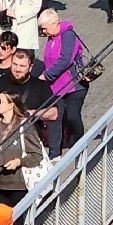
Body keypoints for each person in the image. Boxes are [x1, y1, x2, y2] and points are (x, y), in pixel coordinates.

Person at [37, 9, 89, 156]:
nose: (43, 31)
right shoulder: (52, 37)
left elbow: (65, 60)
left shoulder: (68, 35)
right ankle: (55, 153)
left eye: (45, 28)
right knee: (56, 118)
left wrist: (47, 75)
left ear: (54, 24)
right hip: (57, 86)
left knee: (72, 115)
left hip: (74, 85)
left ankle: (78, 141)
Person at [0, 92, 46, 207]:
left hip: (18, 187)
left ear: (11, 105)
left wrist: (18, 162)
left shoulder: (24, 126)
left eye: (0, 101)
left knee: (17, 223)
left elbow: (36, 155)